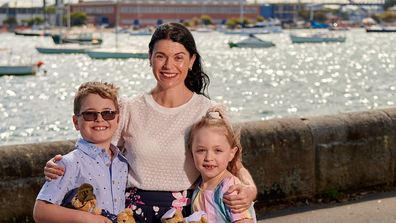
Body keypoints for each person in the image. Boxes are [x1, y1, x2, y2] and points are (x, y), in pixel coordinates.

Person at [43, 23, 257, 223]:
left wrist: (250, 189)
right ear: (150, 58)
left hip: (185, 214)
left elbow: (233, 164)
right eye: (161, 56)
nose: (168, 65)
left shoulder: (207, 111)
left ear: (191, 61)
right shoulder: (129, 108)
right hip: (132, 214)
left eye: (178, 57)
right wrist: (60, 165)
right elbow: (94, 154)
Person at [33, 82, 128, 223]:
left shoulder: (122, 163)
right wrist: (87, 219)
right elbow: (41, 211)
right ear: (76, 122)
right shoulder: (68, 163)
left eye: (107, 113)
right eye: (90, 114)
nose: (99, 119)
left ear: (118, 119)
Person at [188, 106, 256, 223]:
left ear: (231, 154)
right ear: (191, 152)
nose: (209, 158)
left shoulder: (230, 189)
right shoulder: (199, 188)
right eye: (201, 150)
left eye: (218, 151)